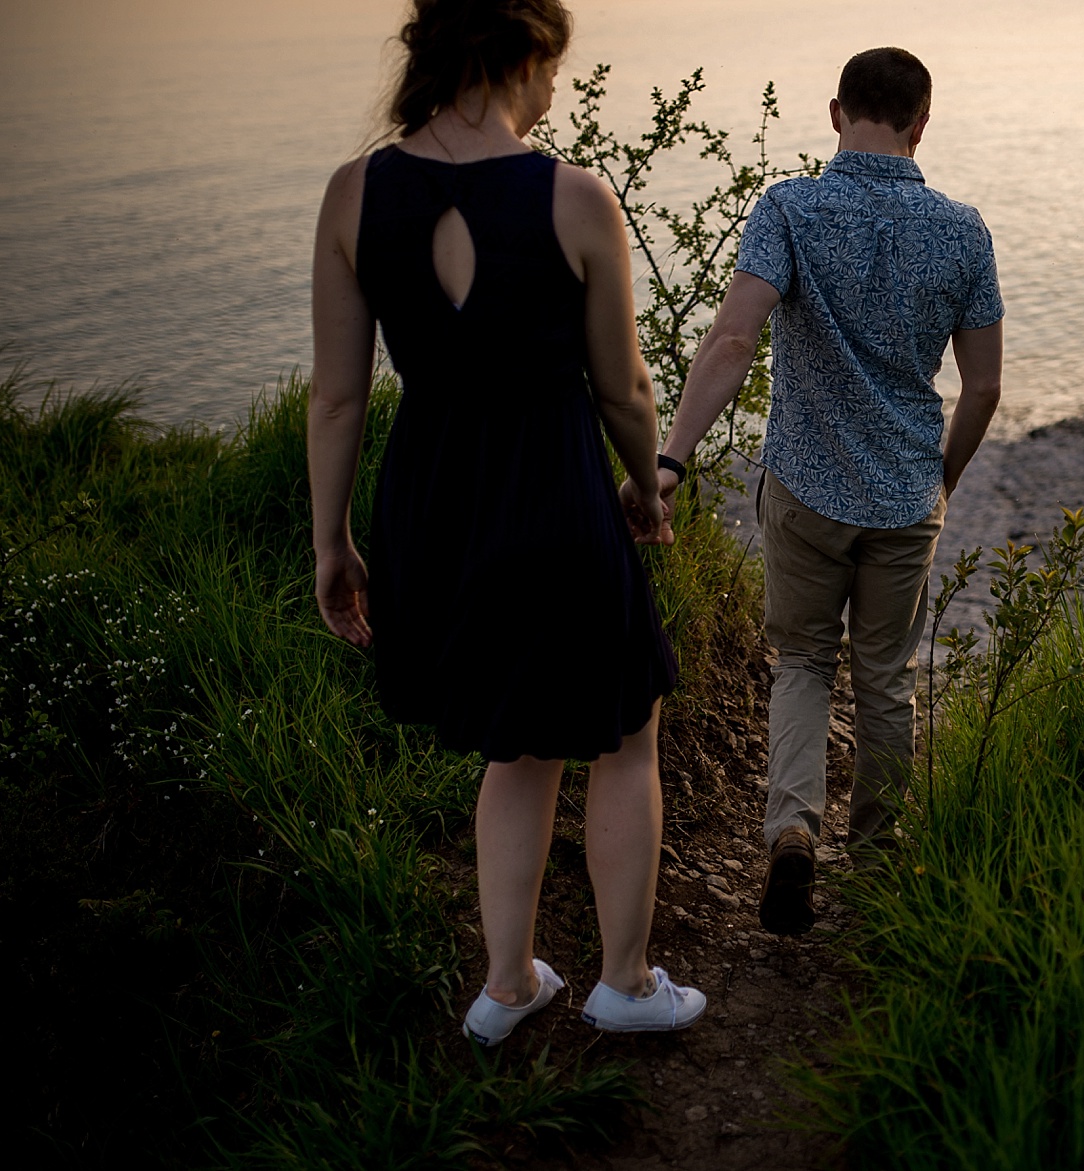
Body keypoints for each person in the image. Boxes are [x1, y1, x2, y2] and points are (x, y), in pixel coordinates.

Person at [308, 0, 704, 1042]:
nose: (556, 91)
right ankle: (623, 979)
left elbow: (337, 399)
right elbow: (622, 389)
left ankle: (508, 984)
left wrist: (333, 540)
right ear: (521, 53)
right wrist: (644, 484)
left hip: (431, 504)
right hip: (553, 490)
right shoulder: (576, 197)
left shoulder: (354, 193)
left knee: (513, 744)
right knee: (621, 730)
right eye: (554, 69)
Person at [626, 46, 1004, 934]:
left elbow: (731, 341)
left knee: (800, 663)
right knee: (885, 679)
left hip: (803, 488)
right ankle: (876, 868)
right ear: (921, 122)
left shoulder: (789, 208)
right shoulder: (963, 231)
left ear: (836, 113)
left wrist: (670, 461)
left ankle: (792, 831)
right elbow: (983, 387)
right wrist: (936, 482)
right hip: (907, 496)